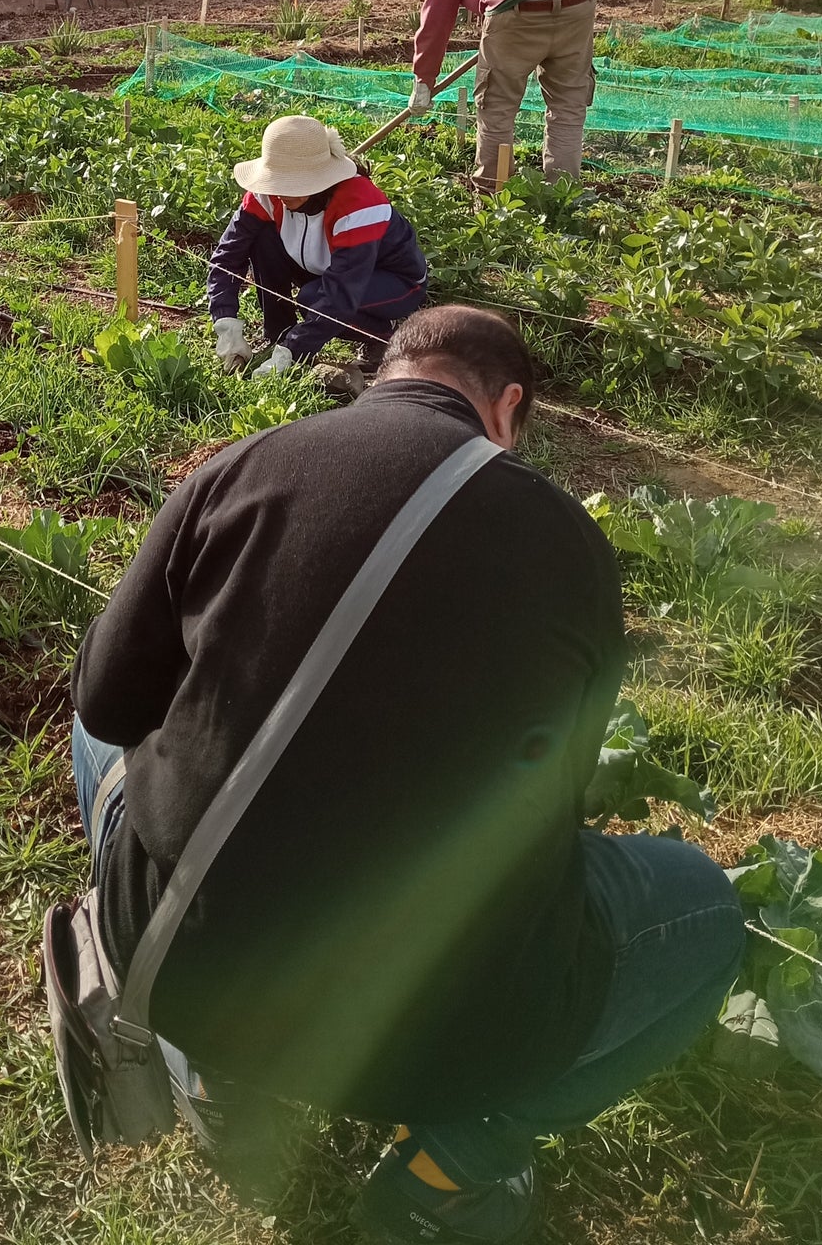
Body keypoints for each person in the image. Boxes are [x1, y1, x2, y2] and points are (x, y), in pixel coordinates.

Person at [69, 306, 743, 1242]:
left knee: (100, 740)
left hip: (184, 962)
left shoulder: (241, 464)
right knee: (708, 910)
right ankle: (449, 1167)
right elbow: (560, 799)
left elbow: (107, 701)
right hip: (454, 1036)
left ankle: (217, 1076)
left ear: (385, 373)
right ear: (506, 406)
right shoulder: (566, 541)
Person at [207, 114, 428, 382]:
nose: (282, 192)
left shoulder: (358, 203)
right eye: (279, 181)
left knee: (313, 298)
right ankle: (278, 332)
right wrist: (225, 321)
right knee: (262, 237)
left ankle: (383, 334)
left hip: (392, 280)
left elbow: (342, 293)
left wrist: (295, 350)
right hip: (322, 266)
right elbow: (228, 255)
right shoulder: (267, 193)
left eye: (295, 183)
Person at [411, 0, 597, 190]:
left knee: (496, 107)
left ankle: (492, 198)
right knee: (568, 108)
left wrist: (423, 79)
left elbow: (436, 15)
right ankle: (563, 199)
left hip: (516, 3)